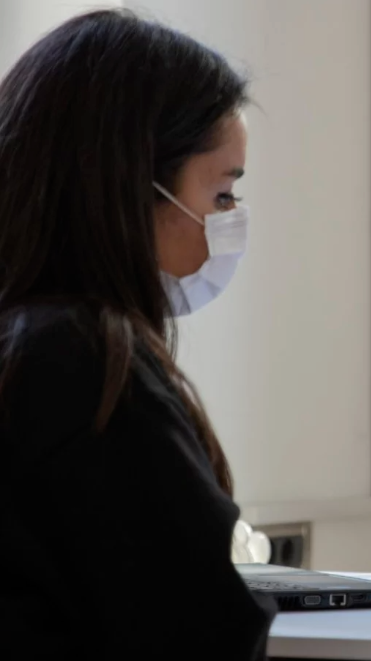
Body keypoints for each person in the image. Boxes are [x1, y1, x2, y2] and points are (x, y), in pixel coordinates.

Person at [0, 10, 275, 658]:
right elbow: (201, 624)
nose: (231, 219)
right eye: (222, 195)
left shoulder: (26, 343)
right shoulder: (85, 366)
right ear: (127, 188)